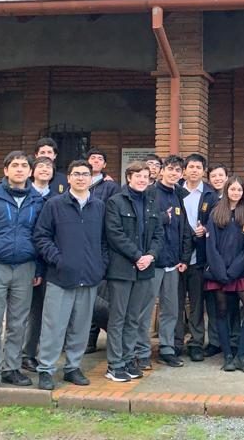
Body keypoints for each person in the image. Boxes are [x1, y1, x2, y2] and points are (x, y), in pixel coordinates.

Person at [0, 151, 45, 388]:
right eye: (15, 165)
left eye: (24, 165)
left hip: (25, 266)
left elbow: (42, 236)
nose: (20, 169)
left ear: (30, 171)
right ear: (6, 170)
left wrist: (39, 270)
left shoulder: (37, 200)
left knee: (18, 321)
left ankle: (11, 368)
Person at [32, 160, 107, 390]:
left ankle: (73, 367)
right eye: (76, 174)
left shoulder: (99, 206)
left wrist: (100, 264)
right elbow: (41, 237)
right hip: (61, 277)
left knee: (81, 327)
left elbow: (105, 241)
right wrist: (58, 260)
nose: (81, 178)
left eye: (85, 174)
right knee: (54, 325)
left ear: (91, 178)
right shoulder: (54, 205)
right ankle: (46, 369)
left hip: (89, 277)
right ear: (69, 178)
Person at [103, 161, 164, 382]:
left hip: (145, 269)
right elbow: (114, 234)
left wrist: (150, 256)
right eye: (137, 175)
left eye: (145, 176)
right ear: (128, 177)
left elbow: (159, 234)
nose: (142, 179)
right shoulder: (115, 202)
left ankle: (129, 360)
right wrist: (137, 255)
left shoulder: (151, 202)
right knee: (118, 318)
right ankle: (115, 364)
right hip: (122, 269)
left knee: (134, 319)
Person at [139, 155, 193, 368]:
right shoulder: (150, 193)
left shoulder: (180, 195)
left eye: (178, 170)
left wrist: (185, 258)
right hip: (152, 262)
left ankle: (167, 349)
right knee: (145, 308)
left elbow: (185, 229)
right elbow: (143, 222)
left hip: (173, 263)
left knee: (171, 310)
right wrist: (164, 218)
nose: (173, 173)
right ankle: (141, 352)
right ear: (161, 171)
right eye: (170, 169)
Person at [205, 176, 244, 373]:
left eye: (239, 190)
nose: (236, 193)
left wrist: (235, 269)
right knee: (222, 312)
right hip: (218, 272)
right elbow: (210, 246)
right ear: (227, 190)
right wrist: (221, 272)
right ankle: (227, 355)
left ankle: (242, 355)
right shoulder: (215, 214)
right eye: (233, 189)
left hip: (241, 272)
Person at [176, 153, 217, 362]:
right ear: (184, 170)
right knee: (175, 302)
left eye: (198, 167)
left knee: (196, 303)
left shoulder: (210, 194)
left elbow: (218, 222)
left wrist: (206, 229)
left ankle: (196, 343)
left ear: (204, 171)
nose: (194, 170)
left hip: (199, 256)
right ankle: (174, 342)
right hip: (176, 256)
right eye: (190, 166)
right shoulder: (175, 191)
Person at [21, 154, 59, 374]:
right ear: (32, 171)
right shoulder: (25, 196)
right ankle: (18, 355)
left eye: (49, 167)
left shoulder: (55, 198)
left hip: (49, 262)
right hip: (26, 260)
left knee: (40, 311)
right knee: (21, 311)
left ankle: (31, 354)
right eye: (40, 166)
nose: (45, 170)